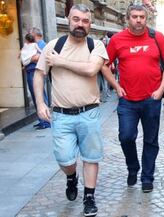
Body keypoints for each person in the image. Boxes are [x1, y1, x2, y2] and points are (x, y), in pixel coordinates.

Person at [33, 4, 108, 216]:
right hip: (61, 115)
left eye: (85, 21)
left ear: (90, 23)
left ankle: (89, 197)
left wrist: (60, 61)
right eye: (76, 19)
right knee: (64, 159)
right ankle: (71, 176)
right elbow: (39, 74)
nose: (80, 24)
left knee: (91, 157)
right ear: (68, 19)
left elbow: (91, 69)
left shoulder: (96, 45)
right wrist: (40, 103)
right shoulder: (54, 45)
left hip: (89, 112)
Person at [101, 4, 164, 193]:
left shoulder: (157, 37)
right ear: (128, 18)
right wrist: (116, 86)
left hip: (152, 99)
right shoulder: (117, 39)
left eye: (142, 16)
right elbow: (104, 65)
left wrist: (161, 89)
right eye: (134, 16)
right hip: (127, 100)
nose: (138, 20)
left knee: (151, 140)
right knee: (126, 137)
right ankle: (133, 167)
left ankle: (147, 177)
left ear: (146, 18)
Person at [22, 28, 51, 130]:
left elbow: (42, 57)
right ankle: (42, 120)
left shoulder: (41, 44)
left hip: (35, 73)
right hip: (32, 72)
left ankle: (46, 121)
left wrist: (31, 59)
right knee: (37, 96)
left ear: (34, 34)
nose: (28, 35)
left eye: (29, 33)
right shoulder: (35, 44)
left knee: (39, 96)